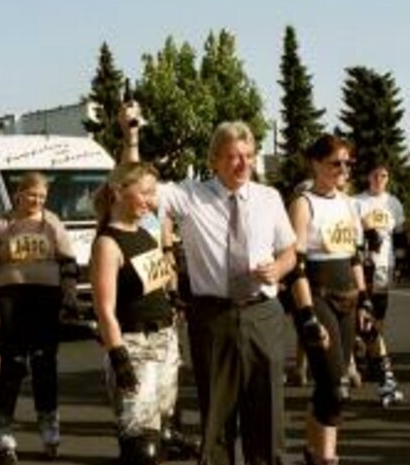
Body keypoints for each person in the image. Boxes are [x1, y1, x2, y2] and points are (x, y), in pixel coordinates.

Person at [120, 101, 296, 465]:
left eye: (248, 155)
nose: (243, 163)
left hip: (263, 314)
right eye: (233, 156)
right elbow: (135, 183)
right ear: (214, 159)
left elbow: (290, 251)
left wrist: (278, 270)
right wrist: (131, 136)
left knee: (267, 415)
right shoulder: (190, 196)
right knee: (217, 417)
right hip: (213, 317)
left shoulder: (269, 198)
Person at [0, 172, 77, 463]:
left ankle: (48, 423)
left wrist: (69, 296)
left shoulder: (52, 222)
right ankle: (3, 427)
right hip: (11, 299)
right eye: (32, 195)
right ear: (19, 193)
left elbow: (68, 261)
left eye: (42, 197)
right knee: (12, 364)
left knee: (45, 363)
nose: (37, 201)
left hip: (45, 299)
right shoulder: (1, 224)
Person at [288, 134, 376, 464]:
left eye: (347, 164)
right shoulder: (303, 203)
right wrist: (307, 314)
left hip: (348, 297)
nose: (343, 169)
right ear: (316, 163)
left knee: (330, 387)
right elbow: (295, 265)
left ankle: (313, 453)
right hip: (317, 295)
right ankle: (327, 457)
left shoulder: (348, 203)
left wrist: (365, 299)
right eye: (335, 163)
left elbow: (354, 257)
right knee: (334, 386)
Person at [90, 162, 184, 463]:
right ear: (119, 192)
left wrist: (173, 298)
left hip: (165, 340)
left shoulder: (145, 233)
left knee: (163, 435)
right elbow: (104, 308)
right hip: (134, 345)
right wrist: (119, 358)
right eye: (144, 192)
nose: (150, 200)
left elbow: (155, 283)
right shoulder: (107, 243)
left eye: (153, 193)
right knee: (142, 447)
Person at [353, 163, 406, 406]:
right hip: (364, 264)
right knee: (363, 311)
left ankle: (374, 358)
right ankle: (362, 355)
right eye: (375, 174)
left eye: (384, 175)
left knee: (380, 312)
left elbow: (401, 235)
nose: (379, 179)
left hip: (386, 264)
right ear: (368, 176)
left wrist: (403, 264)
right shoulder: (358, 201)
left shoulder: (393, 203)